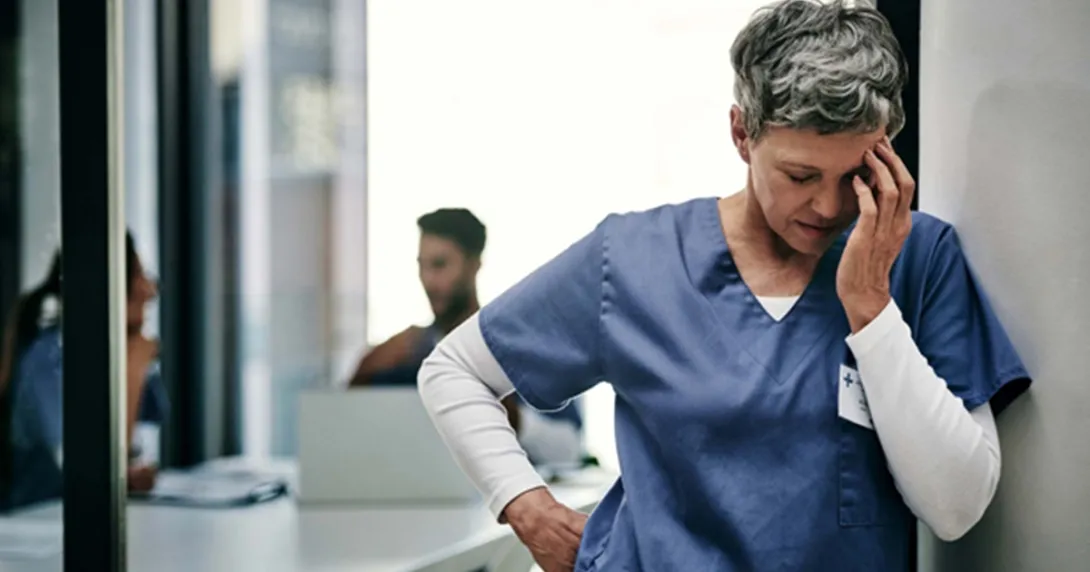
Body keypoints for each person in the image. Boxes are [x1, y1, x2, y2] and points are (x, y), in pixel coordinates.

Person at [417, 2, 1032, 571]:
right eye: (799, 174)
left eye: (855, 175)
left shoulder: (920, 258)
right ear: (742, 135)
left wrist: (871, 308)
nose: (827, 205)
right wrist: (524, 505)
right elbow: (453, 371)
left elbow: (957, 508)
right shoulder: (635, 260)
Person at [350, 208, 583, 467]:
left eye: (439, 265)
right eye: (422, 266)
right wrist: (362, 372)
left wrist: (513, 419)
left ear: (474, 264)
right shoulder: (405, 355)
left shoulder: (522, 347)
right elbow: (350, 439)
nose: (428, 280)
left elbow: (569, 449)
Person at [0, 232, 168, 510]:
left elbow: (153, 422)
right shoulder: (49, 357)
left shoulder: (120, 350)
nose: (150, 290)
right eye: (139, 275)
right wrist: (134, 370)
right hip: (40, 521)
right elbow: (86, 475)